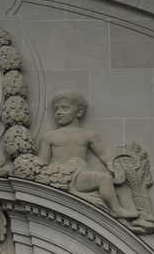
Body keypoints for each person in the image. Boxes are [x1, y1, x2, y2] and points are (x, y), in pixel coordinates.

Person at [36, 90, 134, 218]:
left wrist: (118, 169)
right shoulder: (48, 136)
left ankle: (115, 209)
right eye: (56, 109)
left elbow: (104, 154)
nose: (58, 112)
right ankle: (115, 209)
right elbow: (42, 163)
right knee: (104, 178)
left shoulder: (88, 135)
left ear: (79, 111)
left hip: (80, 176)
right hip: (60, 176)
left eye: (64, 108)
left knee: (105, 179)